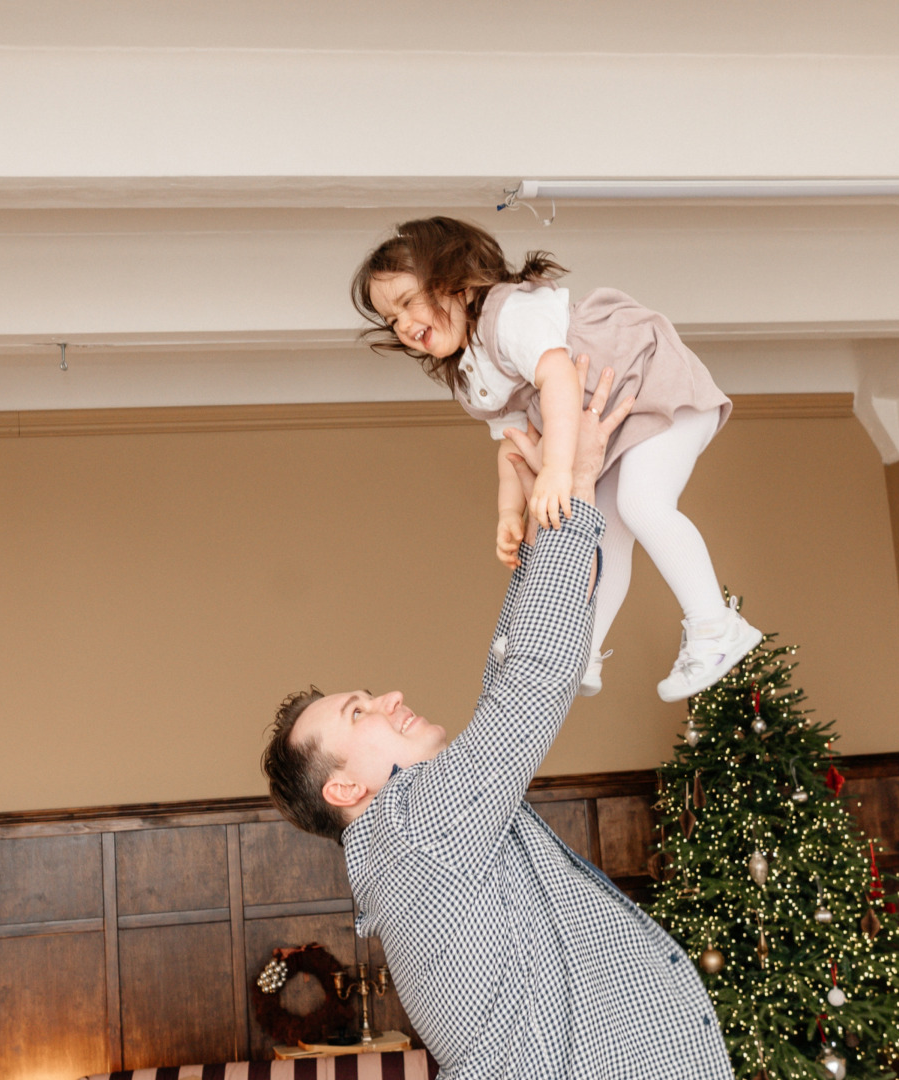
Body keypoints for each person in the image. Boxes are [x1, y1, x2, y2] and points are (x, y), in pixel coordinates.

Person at [261, 365, 733, 1080]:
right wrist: (571, 489)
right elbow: (531, 685)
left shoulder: (417, 838)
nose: (387, 696)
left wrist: (542, 512)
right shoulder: (410, 828)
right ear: (345, 789)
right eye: (359, 713)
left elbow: (510, 678)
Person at [352, 216, 761, 701]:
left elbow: (561, 379)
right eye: (391, 319)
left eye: (406, 303)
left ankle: (715, 626)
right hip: (614, 426)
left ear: (456, 285)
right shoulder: (472, 372)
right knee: (603, 535)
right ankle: (579, 649)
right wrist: (509, 512)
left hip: (653, 383)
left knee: (642, 504)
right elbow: (513, 443)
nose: (401, 325)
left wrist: (558, 470)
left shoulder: (508, 316)